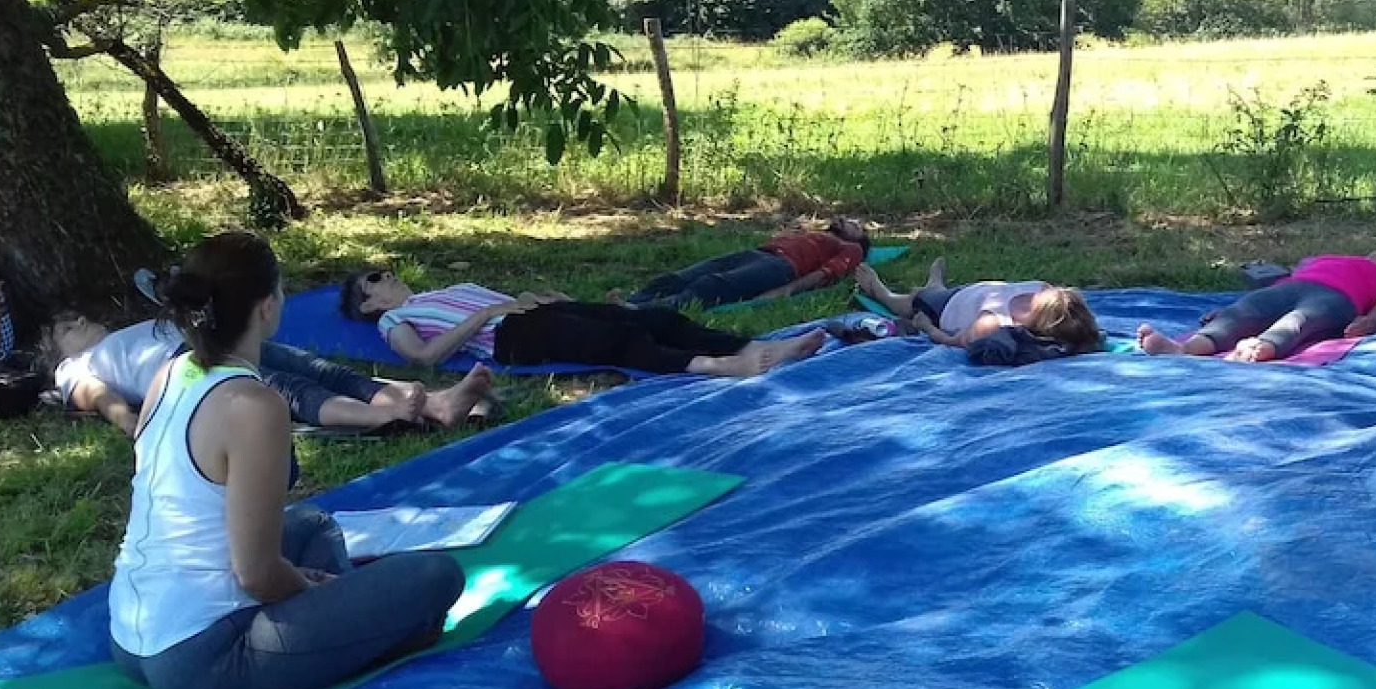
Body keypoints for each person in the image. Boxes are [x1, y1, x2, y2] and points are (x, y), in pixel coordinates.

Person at [111, 232, 465, 689]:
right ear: (266, 308)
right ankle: (369, 629)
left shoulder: (169, 374)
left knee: (313, 524)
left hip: (130, 636)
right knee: (437, 576)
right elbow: (256, 574)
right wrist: (311, 585)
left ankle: (350, 623)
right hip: (203, 656)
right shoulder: (254, 406)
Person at [45, 314, 492, 436]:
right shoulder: (74, 368)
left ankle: (436, 404)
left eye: (78, 318)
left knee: (319, 368)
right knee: (287, 389)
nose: (80, 323)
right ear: (57, 355)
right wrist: (133, 425)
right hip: (188, 364)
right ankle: (375, 417)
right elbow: (97, 394)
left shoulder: (117, 335)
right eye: (67, 328)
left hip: (209, 338)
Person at [340, 271, 826, 377]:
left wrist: (543, 298)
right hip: (510, 336)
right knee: (618, 339)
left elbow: (505, 301)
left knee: (656, 316)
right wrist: (488, 315)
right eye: (377, 279)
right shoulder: (396, 319)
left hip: (531, 313)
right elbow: (424, 358)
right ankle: (721, 365)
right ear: (368, 306)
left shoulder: (438, 291)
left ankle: (754, 345)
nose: (391, 275)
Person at [1136, 251, 1376, 362]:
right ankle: (1183, 349)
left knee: (1300, 320)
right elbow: (1283, 284)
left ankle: (1261, 347)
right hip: (1291, 287)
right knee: (1245, 310)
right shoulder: (1329, 258)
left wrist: (1373, 321)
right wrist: (1230, 311)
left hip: (1338, 297)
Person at [853, 258, 1104, 356]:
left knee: (908, 301)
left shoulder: (993, 324)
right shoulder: (1043, 289)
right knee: (934, 290)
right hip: (977, 292)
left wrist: (926, 326)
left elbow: (952, 340)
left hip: (945, 307)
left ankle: (878, 289)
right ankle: (935, 281)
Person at [617, 217, 872, 309]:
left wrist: (788, 290)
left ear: (860, 240)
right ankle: (634, 299)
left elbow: (827, 272)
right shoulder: (819, 235)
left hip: (781, 267)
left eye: (857, 226)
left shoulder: (852, 249)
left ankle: (648, 309)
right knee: (686, 275)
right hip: (759, 253)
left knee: (712, 285)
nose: (850, 222)